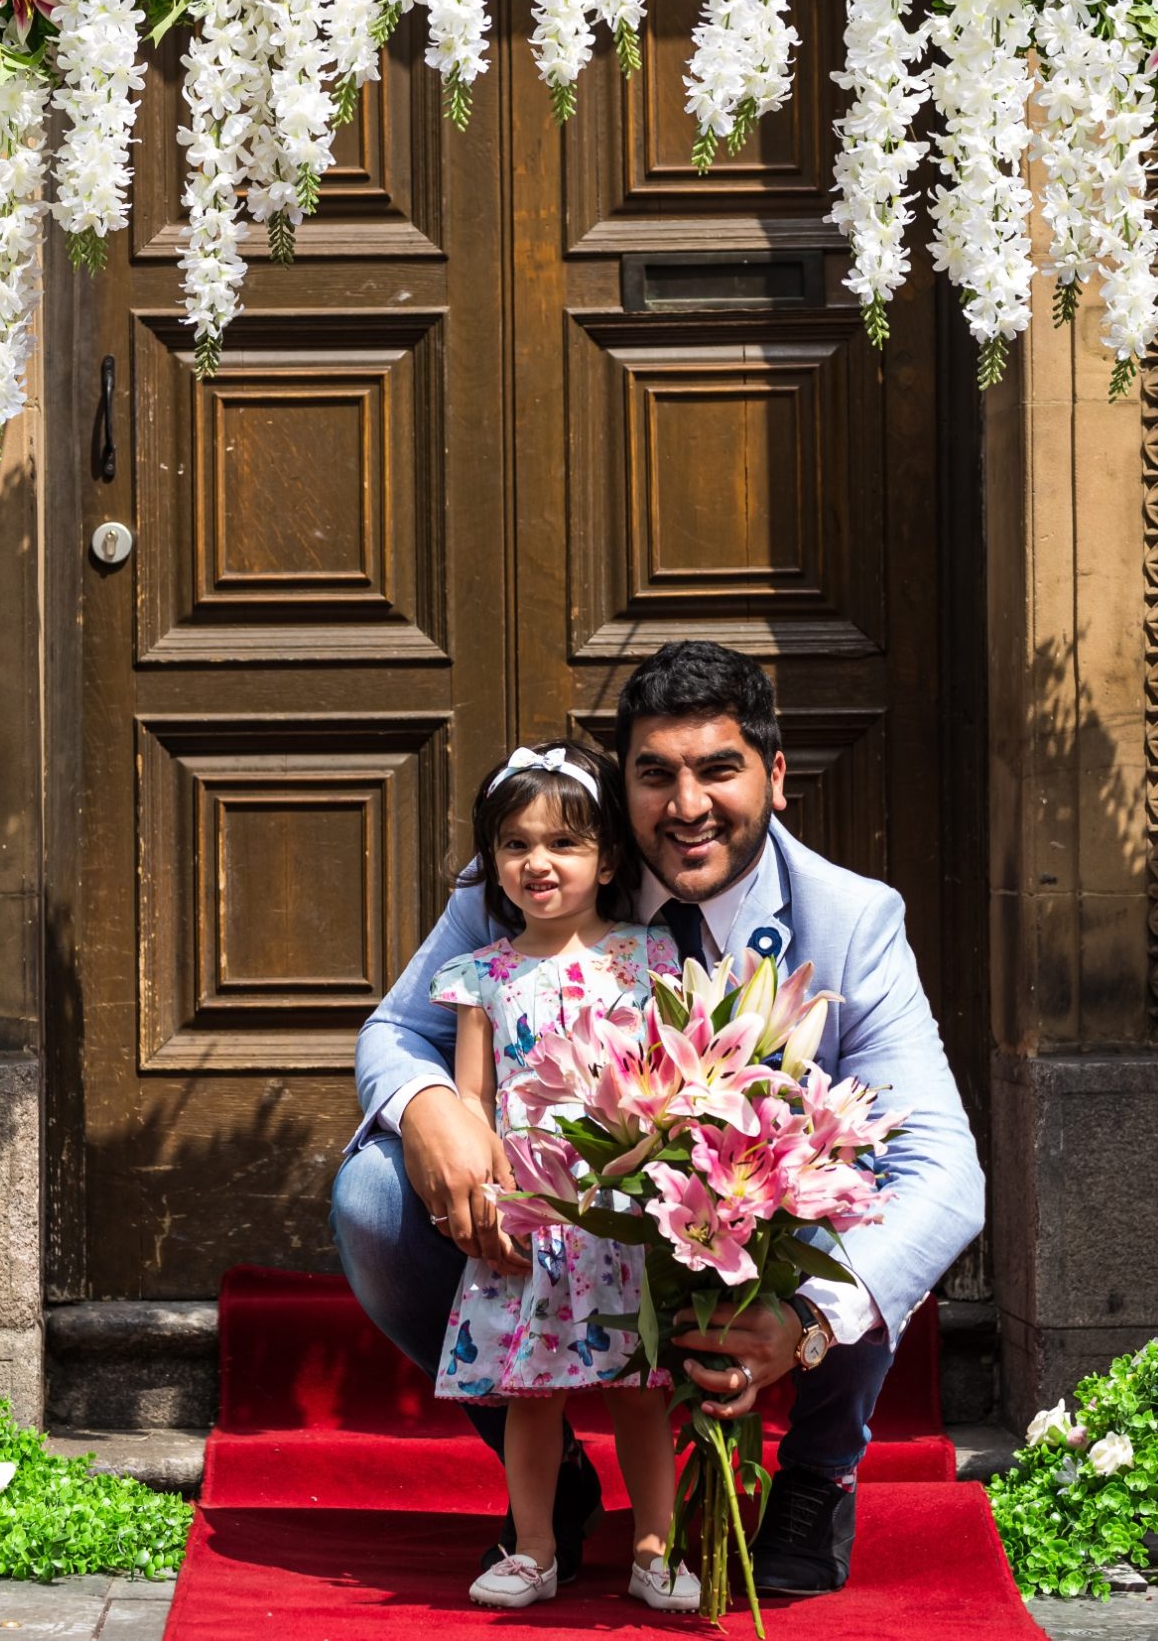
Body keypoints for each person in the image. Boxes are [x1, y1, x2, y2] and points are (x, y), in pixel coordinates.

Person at [332, 641, 986, 1598]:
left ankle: (815, 1473)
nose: (685, 807)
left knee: (846, 1194)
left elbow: (944, 1173)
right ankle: (547, 1482)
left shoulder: (852, 922)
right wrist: (433, 1106)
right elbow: (396, 1030)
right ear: (620, 791)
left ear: (776, 776)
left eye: (718, 769)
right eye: (655, 776)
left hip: (750, 1228)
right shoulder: (539, 873)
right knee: (374, 1194)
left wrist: (801, 1320)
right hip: (564, 1216)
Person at [426, 739, 699, 1612]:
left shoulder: (650, 959)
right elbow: (471, 1098)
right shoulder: (483, 976)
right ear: (491, 862)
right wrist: (486, 1197)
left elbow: (676, 1076)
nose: (537, 863)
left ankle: (655, 1551)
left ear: (609, 856)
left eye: (564, 843)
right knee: (531, 1396)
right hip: (533, 1221)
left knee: (641, 1390)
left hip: (625, 1217)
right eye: (515, 844)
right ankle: (535, 1547)